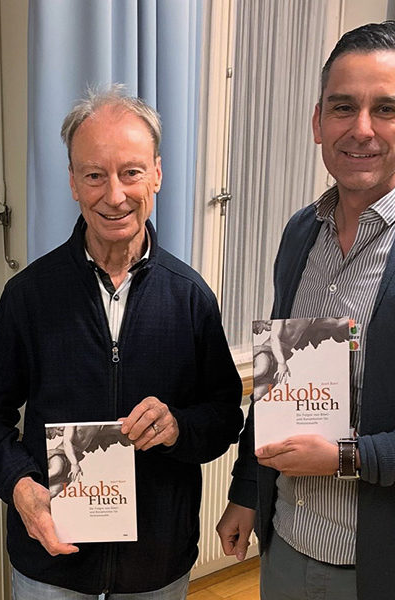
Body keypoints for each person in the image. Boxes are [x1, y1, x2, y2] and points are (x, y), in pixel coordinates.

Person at [0, 85, 243, 599]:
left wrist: (179, 425)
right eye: (94, 175)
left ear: (157, 172)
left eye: (131, 172)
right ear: (73, 182)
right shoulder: (29, 296)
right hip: (51, 566)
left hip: (155, 569)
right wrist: (22, 488)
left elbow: (225, 414)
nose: (114, 195)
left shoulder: (190, 298)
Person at [216, 21, 395, 600]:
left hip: (376, 567)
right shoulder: (301, 234)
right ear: (319, 122)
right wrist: (246, 489)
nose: (362, 129)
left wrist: (346, 457)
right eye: (343, 107)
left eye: (386, 110)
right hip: (285, 543)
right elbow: (277, 385)